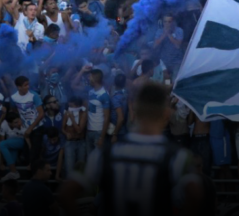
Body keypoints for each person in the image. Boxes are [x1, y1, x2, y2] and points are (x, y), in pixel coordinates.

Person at [60, 82, 207, 216]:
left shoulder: (104, 154)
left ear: (136, 111)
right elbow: (196, 195)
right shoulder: (177, 157)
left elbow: (66, 193)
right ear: (166, 114)